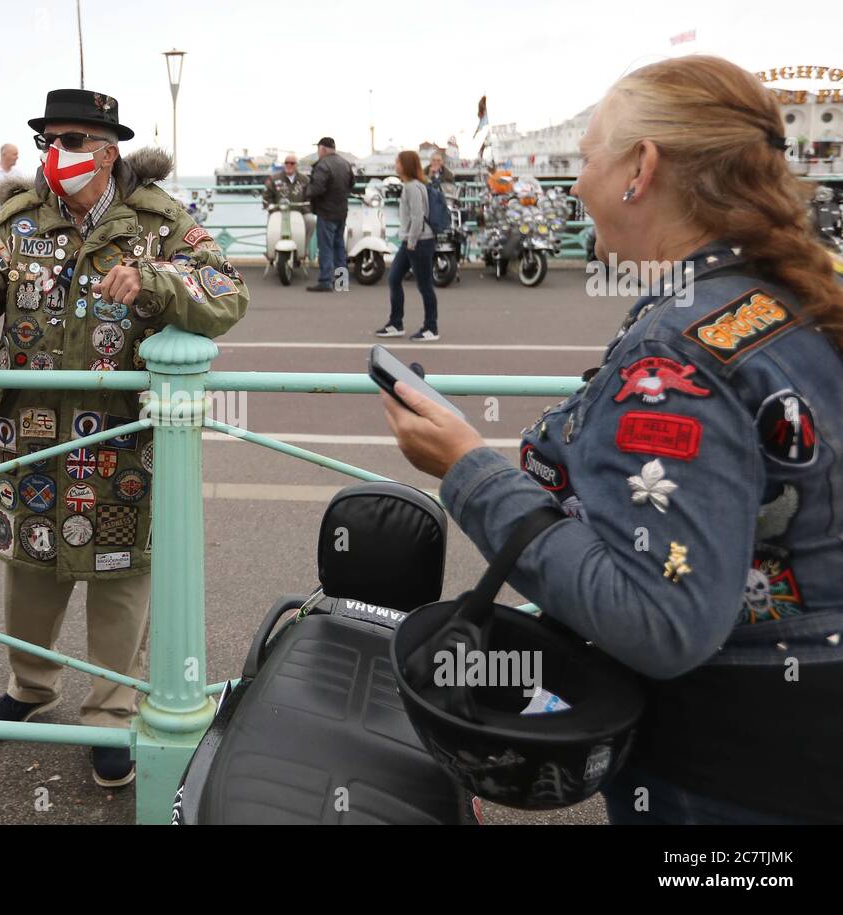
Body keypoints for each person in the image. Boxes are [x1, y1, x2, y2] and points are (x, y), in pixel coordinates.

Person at [380, 55, 843, 824]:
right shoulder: (797, 297)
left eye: (589, 159)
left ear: (640, 168)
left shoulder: (681, 349)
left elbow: (658, 618)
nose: (575, 186)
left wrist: (467, 468)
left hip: (729, 779)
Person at [0, 88, 249, 788]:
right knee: (29, 569)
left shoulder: (158, 221)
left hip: (122, 443)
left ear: (110, 152)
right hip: (34, 441)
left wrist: (154, 280)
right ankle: (30, 686)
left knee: (120, 579)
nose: (61, 154)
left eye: (75, 140)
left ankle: (109, 714)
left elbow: (227, 289)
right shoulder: (23, 222)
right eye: (52, 139)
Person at [376, 151, 438, 340]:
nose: (395, 164)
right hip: (411, 240)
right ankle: (396, 323)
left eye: (398, 161)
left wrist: (411, 242)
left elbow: (417, 216)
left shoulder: (412, 187)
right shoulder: (415, 185)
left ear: (406, 165)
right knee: (394, 278)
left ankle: (431, 328)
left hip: (418, 241)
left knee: (424, 285)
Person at [305, 137, 354, 292]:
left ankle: (325, 280)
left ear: (323, 149)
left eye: (318, 149)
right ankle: (341, 282)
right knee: (339, 246)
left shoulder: (323, 165)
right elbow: (351, 184)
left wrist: (306, 192)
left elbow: (317, 187)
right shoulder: (345, 163)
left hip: (326, 212)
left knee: (325, 247)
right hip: (342, 211)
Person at [261, 154, 314, 261]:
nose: (289, 165)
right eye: (287, 163)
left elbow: (310, 197)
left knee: (311, 221)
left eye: (292, 163)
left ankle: (302, 249)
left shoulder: (304, 180)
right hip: (279, 212)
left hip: (299, 211)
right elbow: (266, 196)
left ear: (296, 165)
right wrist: (271, 207)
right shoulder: (274, 178)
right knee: (271, 225)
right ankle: (270, 251)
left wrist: (305, 208)